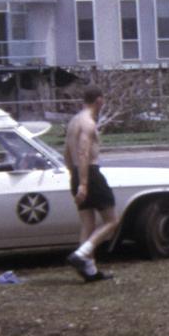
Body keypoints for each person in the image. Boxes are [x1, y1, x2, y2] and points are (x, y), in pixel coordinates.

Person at [64, 86, 118, 282]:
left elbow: (67, 153)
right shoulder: (87, 123)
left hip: (77, 173)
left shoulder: (73, 121)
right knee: (112, 221)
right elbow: (83, 152)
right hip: (90, 174)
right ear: (99, 101)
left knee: (88, 223)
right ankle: (81, 254)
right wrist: (84, 184)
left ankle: (89, 270)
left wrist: (74, 176)